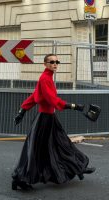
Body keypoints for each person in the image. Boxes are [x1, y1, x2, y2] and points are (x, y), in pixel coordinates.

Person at [12, 54, 96, 190]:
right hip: (44, 120)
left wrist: (22, 111)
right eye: (51, 62)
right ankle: (19, 179)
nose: (55, 64)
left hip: (48, 118)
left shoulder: (47, 78)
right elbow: (52, 100)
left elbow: (35, 96)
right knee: (38, 151)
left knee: (61, 145)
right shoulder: (45, 79)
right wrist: (75, 106)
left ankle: (78, 167)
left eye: (57, 61)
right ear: (45, 64)